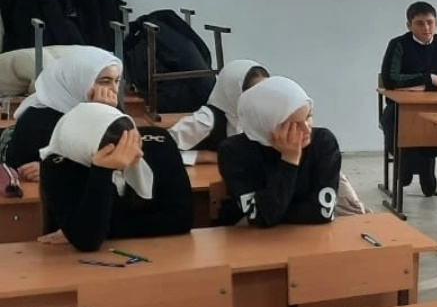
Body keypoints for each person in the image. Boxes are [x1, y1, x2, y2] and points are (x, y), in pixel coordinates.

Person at [37, 103, 192, 252]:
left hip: (156, 252)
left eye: (136, 141)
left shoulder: (159, 141)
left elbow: (180, 219)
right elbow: (88, 240)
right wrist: (102, 170)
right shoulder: (57, 166)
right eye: (120, 151)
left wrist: (105, 229)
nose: (138, 153)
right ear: (90, 151)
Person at [217, 76, 341, 228]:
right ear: (267, 124)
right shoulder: (233, 152)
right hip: (253, 239)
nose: (306, 129)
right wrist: (289, 159)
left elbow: (322, 212)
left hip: (310, 236)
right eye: (293, 124)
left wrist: (274, 212)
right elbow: (264, 217)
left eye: (308, 116)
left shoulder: (323, 142)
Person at [379, 1, 437, 197]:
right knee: (395, 122)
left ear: (436, 23)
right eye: (419, 23)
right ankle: (408, 169)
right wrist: (430, 79)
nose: (426, 28)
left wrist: (420, 86)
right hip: (400, 109)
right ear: (409, 25)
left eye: (430, 22)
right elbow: (390, 79)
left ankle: (418, 169)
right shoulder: (398, 44)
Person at [4, 46, 122, 181]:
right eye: (105, 81)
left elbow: (125, 156)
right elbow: (19, 172)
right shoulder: (38, 119)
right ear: (78, 80)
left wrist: (103, 114)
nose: (114, 89)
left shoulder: (110, 108)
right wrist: (49, 169)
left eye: (117, 81)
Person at [167, 59, 269, 165]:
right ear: (233, 91)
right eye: (253, 93)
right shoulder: (206, 119)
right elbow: (160, 150)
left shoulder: (256, 118)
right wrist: (206, 156)